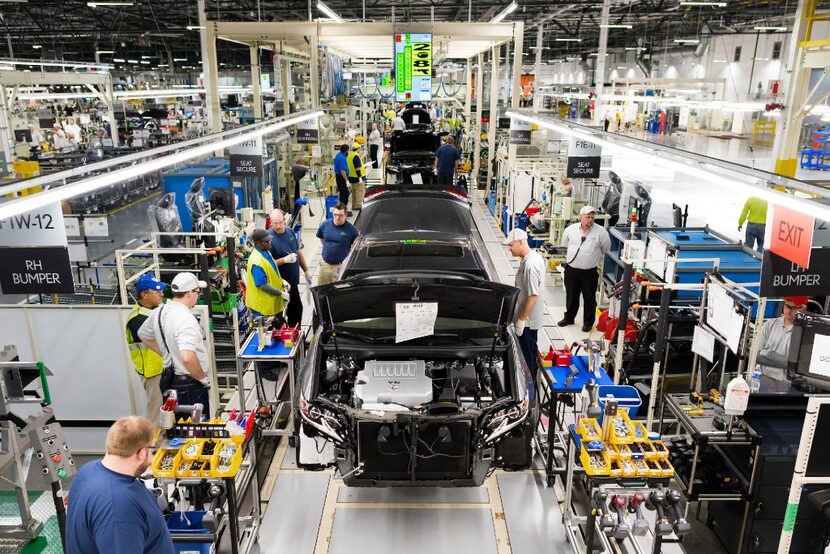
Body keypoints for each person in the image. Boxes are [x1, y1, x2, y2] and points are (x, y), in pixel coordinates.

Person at [66, 416, 174, 554]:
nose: (152, 460)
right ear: (141, 453)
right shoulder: (118, 507)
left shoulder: (87, 470)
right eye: (152, 451)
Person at [138, 272, 212, 413]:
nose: (198, 296)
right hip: (190, 384)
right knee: (196, 431)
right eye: (197, 292)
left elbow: (143, 335)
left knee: (178, 429)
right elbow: (187, 357)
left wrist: (168, 353)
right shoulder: (186, 319)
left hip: (168, 382)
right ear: (190, 293)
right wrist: (202, 378)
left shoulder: (158, 312)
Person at [559, 206, 611, 332]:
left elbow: (606, 249)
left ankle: (588, 322)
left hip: (589, 272)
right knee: (571, 296)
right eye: (588, 217)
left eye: (592, 217)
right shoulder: (570, 230)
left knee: (589, 298)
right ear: (580, 217)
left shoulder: (601, 232)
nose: (590, 220)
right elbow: (564, 246)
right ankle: (569, 318)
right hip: (572, 270)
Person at [504, 228, 545, 384]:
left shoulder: (530, 266)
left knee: (527, 360)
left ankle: (529, 390)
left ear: (520, 242)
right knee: (529, 355)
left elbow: (533, 296)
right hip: (528, 321)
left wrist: (521, 320)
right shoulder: (532, 258)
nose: (509, 249)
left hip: (527, 324)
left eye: (511, 245)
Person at [125, 274, 168, 419]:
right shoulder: (137, 318)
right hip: (153, 372)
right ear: (144, 294)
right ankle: (153, 441)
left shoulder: (158, 307)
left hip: (166, 368)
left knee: (170, 408)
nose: (161, 294)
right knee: (156, 410)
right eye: (156, 291)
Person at [268, 209, 311, 327]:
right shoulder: (268, 240)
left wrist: (306, 271)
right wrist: (285, 260)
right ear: (270, 222)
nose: (278, 226)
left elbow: (298, 251)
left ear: (284, 220)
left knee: (297, 310)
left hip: (292, 283)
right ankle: (282, 340)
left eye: (280, 222)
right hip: (279, 286)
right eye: (274, 223)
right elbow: (267, 264)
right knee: (279, 317)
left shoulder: (290, 232)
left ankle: (294, 336)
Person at [757, 296, 808, 381]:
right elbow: (756, 356)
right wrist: (788, 363)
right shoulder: (769, 324)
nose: (789, 311)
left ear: (803, 308)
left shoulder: (806, 333)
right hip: (764, 378)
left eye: (794, 308)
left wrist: (768, 354)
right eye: (787, 306)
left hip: (790, 385)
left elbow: (801, 366)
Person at [246, 228, 290, 325]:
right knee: (266, 337)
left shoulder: (266, 252)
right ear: (257, 243)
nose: (269, 243)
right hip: (262, 309)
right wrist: (281, 293)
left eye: (269, 240)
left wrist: (282, 282)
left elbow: (271, 272)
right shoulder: (256, 262)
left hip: (272, 304)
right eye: (266, 242)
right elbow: (263, 285)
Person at [316, 202, 359, 285]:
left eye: (340, 215)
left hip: (340, 267)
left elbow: (356, 248)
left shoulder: (351, 230)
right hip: (325, 265)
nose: (337, 217)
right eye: (335, 214)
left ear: (346, 215)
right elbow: (322, 239)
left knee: (338, 293)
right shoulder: (325, 225)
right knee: (322, 292)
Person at [347, 142, 367, 212]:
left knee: (354, 192)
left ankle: (354, 205)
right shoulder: (355, 156)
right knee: (359, 191)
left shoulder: (349, 155)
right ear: (358, 148)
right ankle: (358, 206)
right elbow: (357, 168)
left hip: (351, 176)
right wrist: (360, 177)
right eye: (360, 148)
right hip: (356, 177)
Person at [334, 143, 350, 212]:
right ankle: (343, 210)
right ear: (346, 150)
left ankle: (342, 209)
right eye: (348, 150)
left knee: (343, 193)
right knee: (344, 194)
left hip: (339, 177)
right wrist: (346, 180)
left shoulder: (339, 155)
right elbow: (342, 171)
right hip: (341, 177)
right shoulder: (342, 158)